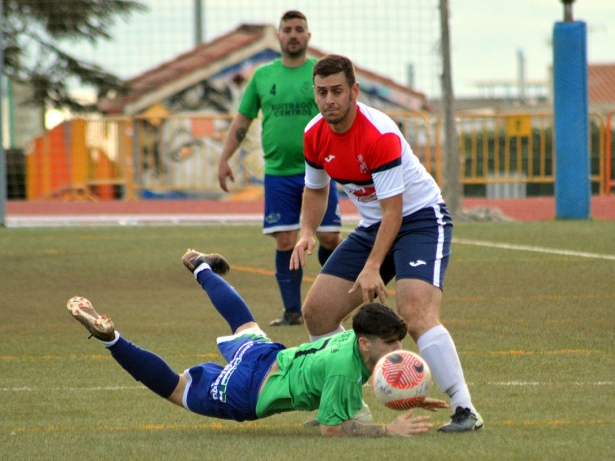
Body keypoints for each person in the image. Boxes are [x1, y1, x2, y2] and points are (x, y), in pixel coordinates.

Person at [290, 54, 483, 433]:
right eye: (322, 92)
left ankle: (464, 409)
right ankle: (349, 407)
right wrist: (307, 232)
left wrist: (372, 266)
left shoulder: (379, 133)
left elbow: (394, 212)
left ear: (354, 92)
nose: (330, 99)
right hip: (374, 224)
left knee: (413, 311)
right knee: (317, 312)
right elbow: (316, 189)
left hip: (421, 219)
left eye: (337, 91)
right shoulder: (314, 133)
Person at [66, 249, 449, 437]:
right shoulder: (346, 372)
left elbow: (335, 400)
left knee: (243, 323)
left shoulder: (350, 339)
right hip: (248, 390)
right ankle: (112, 339)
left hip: (267, 356)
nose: (400, 350)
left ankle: (200, 267)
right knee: (176, 389)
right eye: (391, 342)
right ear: (364, 344)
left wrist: (407, 394)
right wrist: (388, 430)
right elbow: (331, 429)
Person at [218, 10, 342, 327]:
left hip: (320, 171)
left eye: (299, 29)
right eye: (287, 29)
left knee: (329, 239)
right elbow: (243, 119)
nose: (293, 34)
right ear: (279, 36)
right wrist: (224, 158)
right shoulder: (263, 76)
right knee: (285, 240)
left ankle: (334, 300)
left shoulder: (319, 74)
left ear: (308, 36)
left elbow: (341, 115)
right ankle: (292, 311)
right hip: (278, 173)